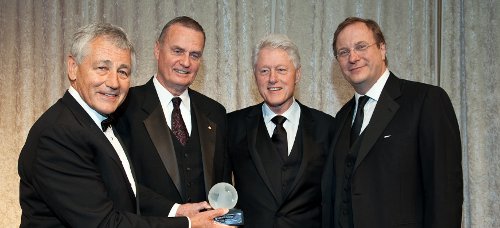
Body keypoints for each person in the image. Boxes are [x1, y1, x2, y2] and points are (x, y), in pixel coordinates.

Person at [18, 22, 230, 228]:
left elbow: (125, 189)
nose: (113, 82)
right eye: (102, 68)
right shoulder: (58, 134)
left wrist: (176, 210)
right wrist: (188, 224)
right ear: (73, 68)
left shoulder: (94, 121)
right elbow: (104, 223)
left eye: (123, 72)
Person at [321, 17, 463, 228]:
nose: (353, 57)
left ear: (382, 49)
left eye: (361, 46)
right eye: (343, 52)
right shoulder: (341, 118)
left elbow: (445, 193)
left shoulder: (426, 101)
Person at [115, 16, 230, 217]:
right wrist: (174, 211)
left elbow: (223, 185)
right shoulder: (124, 106)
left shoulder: (216, 113)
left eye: (195, 55)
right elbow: (117, 182)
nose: (185, 62)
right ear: (157, 50)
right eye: (177, 51)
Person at [228, 34, 336, 227]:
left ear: (298, 74)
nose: (272, 79)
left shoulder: (327, 127)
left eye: (281, 70)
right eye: (264, 71)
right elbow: (220, 192)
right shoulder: (231, 125)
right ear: (255, 75)